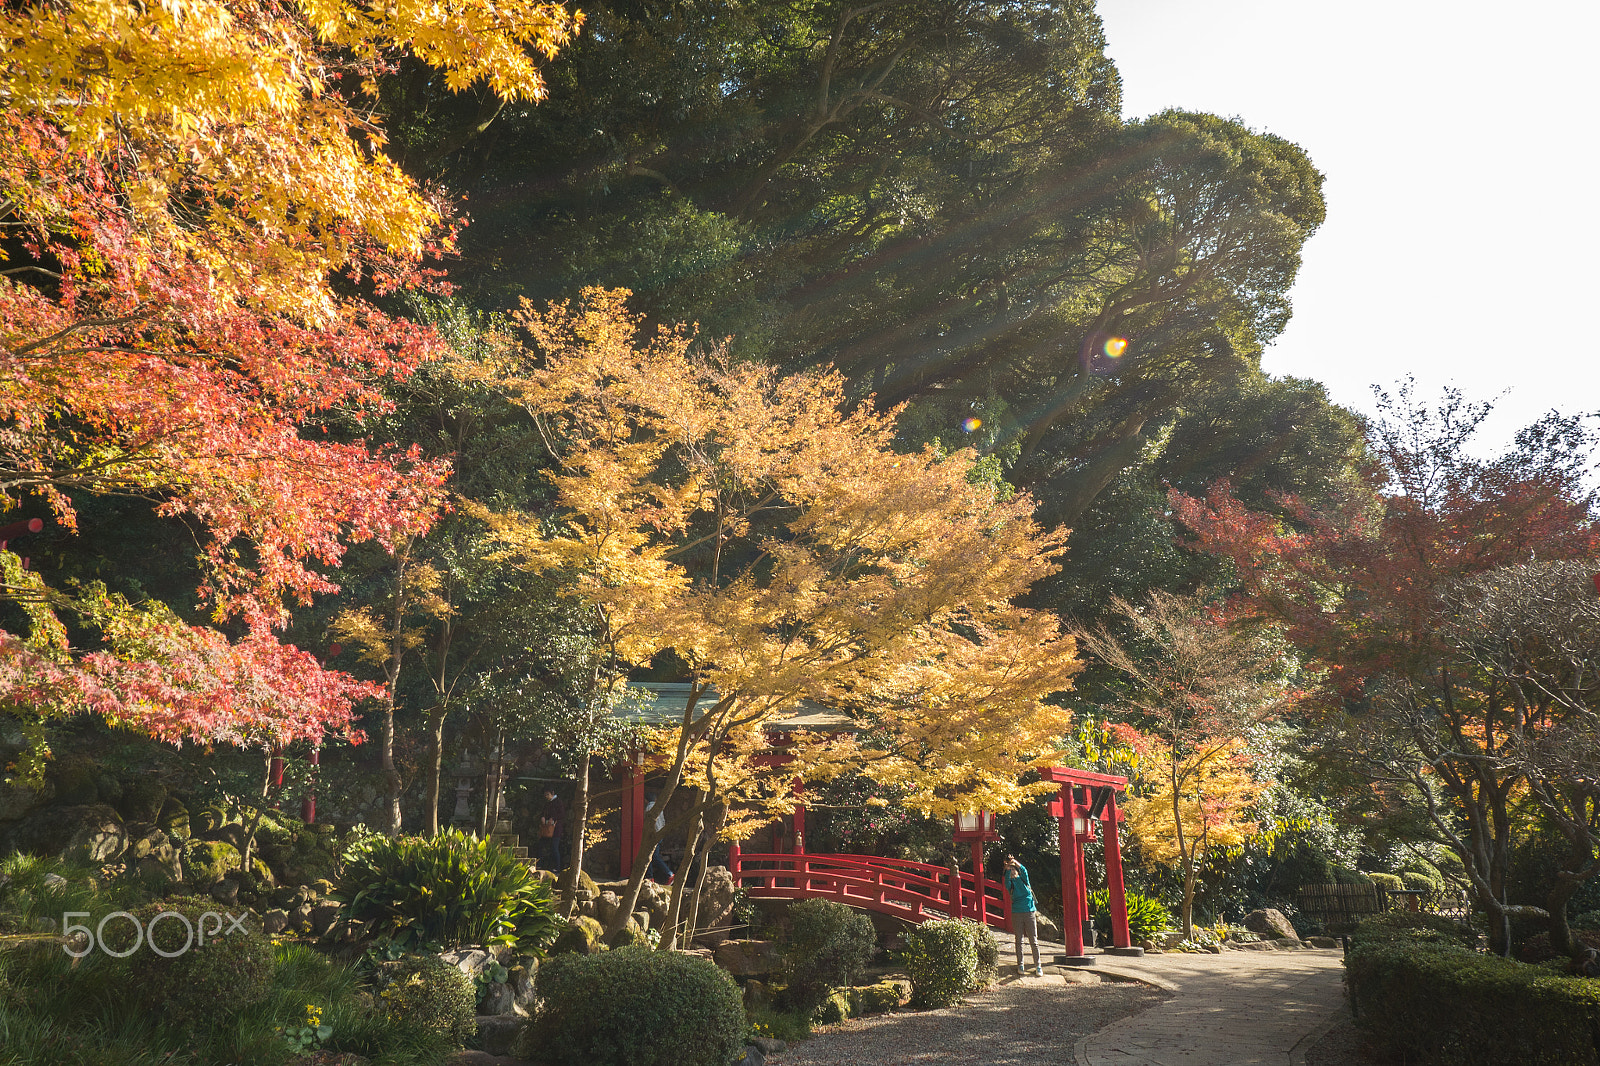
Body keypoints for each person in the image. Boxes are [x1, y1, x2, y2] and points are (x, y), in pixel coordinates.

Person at [1004, 854, 1044, 976]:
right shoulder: (1010, 884)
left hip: (1029, 911)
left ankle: (1038, 965)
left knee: (1034, 940)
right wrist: (1006, 869)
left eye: (1013, 870)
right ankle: (1020, 964)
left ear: (1016, 870)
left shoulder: (1024, 879)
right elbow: (1006, 880)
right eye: (1009, 870)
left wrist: (1014, 862)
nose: (1011, 871)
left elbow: (1024, 870)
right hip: (1017, 912)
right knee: (1019, 940)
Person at [644, 792, 674, 883]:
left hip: (654, 835)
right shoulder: (660, 808)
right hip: (660, 834)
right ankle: (651, 877)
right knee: (651, 856)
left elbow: (649, 823)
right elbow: (663, 822)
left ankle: (668, 874)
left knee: (651, 856)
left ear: (646, 800)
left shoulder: (649, 807)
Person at [537, 786, 565, 872]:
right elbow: (543, 813)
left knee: (554, 848)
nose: (546, 796)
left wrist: (553, 818)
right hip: (546, 828)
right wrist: (542, 817)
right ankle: (539, 864)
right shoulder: (547, 803)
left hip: (556, 829)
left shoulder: (558, 802)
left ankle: (557, 867)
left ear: (552, 793)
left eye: (547, 794)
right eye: (545, 795)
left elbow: (562, 814)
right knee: (541, 846)